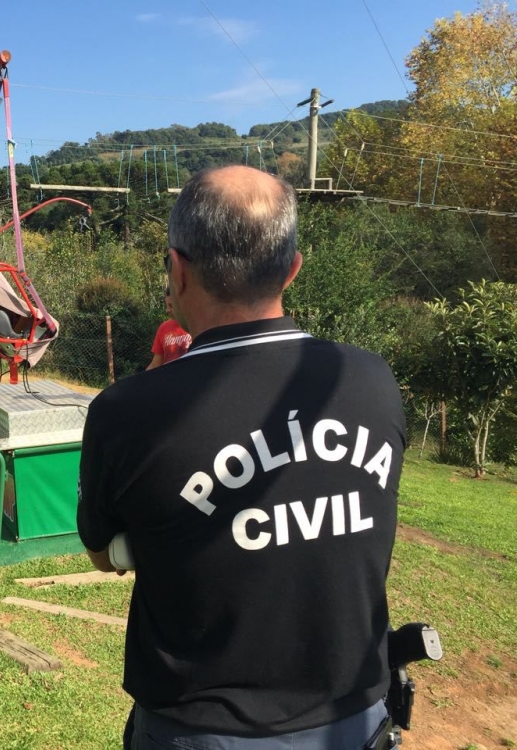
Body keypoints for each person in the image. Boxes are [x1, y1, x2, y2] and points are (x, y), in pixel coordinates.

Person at [77, 165, 405, 750]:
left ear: (178, 269)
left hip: (202, 733)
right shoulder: (372, 381)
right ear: (293, 268)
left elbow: (105, 554)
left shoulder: (125, 413)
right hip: (358, 721)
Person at [146, 289, 193, 370]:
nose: (167, 310)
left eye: (171, 305)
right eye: (166, 306)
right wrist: (140, 380)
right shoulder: (164, 328)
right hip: (169, 379)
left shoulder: (197, 325)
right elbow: (155, 364)